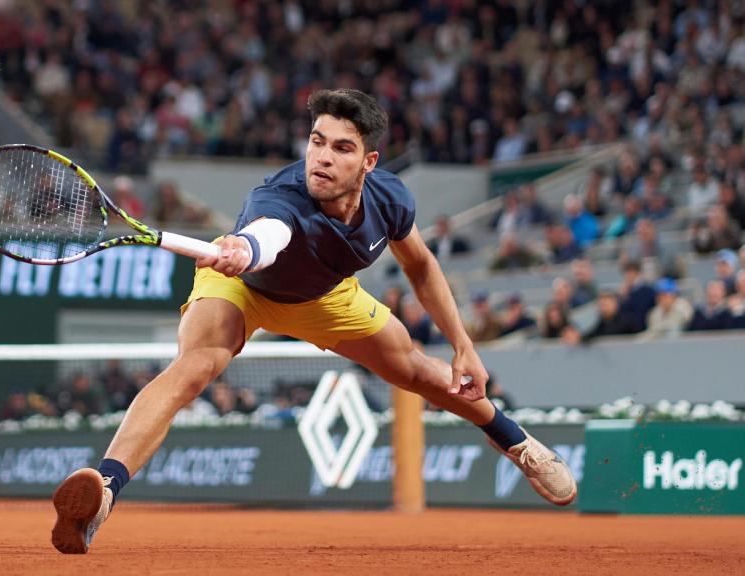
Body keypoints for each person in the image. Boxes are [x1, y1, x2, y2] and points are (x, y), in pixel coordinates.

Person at [50, 89, 576, 555]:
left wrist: (463, 344)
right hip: (241, 285)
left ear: (369, 161)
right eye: (316, 141)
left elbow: (419, 264)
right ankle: (104, 491)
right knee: (194, 367)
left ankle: (516, 442)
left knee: (418, 372)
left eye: (341, 148)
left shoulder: (390, 198)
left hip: (325, 296)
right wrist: (244, 248)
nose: (322, 158)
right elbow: (267, 235)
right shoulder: (277, 200)